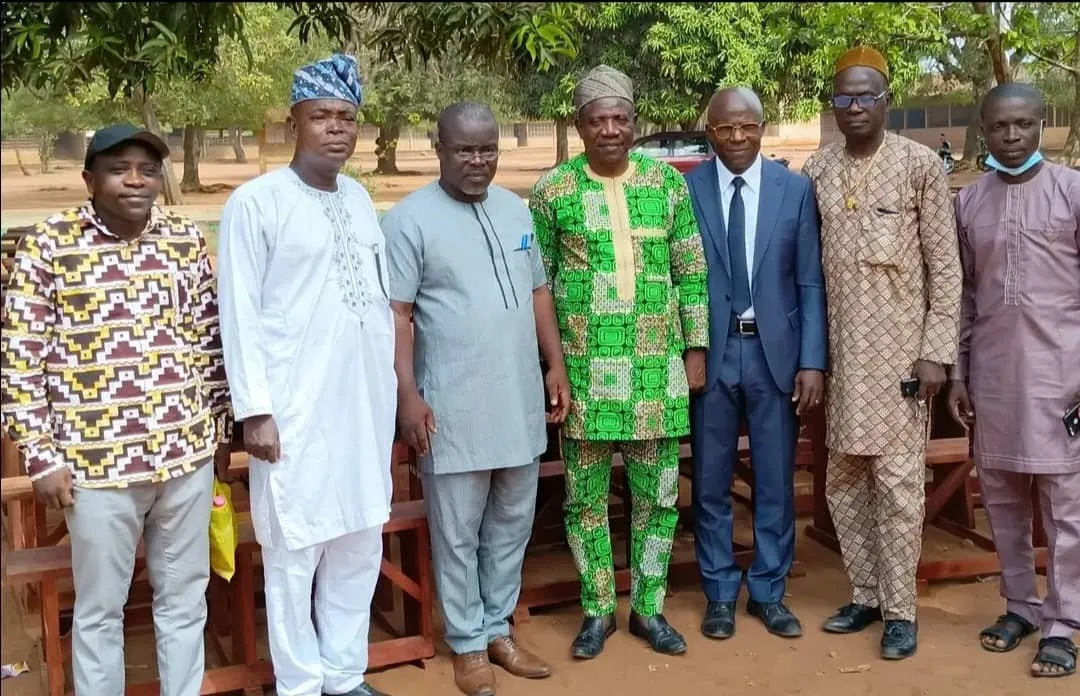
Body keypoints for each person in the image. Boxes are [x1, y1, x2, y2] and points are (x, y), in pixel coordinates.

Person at [0, 123, 232, 696]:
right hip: (95, 470)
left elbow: (210, 339)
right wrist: (41, 456)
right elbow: (20, 358)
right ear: (89, 179)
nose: (135, 180)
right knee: (101, 611)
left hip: (185, 457)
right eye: (117, 168)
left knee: (183, 601)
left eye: (148, 170)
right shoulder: (49, 245)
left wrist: (220, 429)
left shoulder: (184, 239)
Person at [216, 54, 393, 696]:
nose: (336, 129)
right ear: (294, 121)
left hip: (362, 410)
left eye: (347, 117)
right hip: (291, 413)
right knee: (294, 554)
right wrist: (253, 410)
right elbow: (237, 313)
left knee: (357, 544)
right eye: (321, 115)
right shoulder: (255, 203)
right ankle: (298, 684)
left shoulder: (360, 198)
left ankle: (344, 677)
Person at [382, 102, 570, 696]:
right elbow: (398, 314)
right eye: (464, 149)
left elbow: (539, 291)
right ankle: (466, 643)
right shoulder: (408, 221)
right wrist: (407, 394)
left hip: (517, 399)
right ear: (438, 148)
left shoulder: (516, 209)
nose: (477, 159)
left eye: (487, 148)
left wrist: (555, 364)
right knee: (458, 530)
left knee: (513, 523)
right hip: (450, 406)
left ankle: (498, 631)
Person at [529, 64, 710, 659]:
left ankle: (650, 610)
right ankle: (598, 610)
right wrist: (552, 366)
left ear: (635, 123)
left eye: (620, 118)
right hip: (584, 376)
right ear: (579, 125)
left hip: (657, 373)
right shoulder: (552, 190)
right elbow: (542, 286)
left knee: (658, 498)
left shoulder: (666, 185)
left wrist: (696, 350)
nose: (610, 129)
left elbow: (690, 269)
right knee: (584, 501)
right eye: (597, 119)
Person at [801, 46, 962, 660]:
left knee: (898, 486)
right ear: (834, 105)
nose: (856, 106)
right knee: (843, 482)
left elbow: (945, 268)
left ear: (886, 100)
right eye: (845, 97)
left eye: (867, 95)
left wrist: (935, 353)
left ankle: (901, 610)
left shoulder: (920, 166)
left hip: (902, 361)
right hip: (840, 361)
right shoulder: (816, 171)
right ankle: (865, 594)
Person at [684, 88, 827, 641]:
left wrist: (812, 360)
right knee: (712, 480)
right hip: (713, 354)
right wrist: (688, 349)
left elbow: (809, 280)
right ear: (710, 132)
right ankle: (719, 593)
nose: (737, 137)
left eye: (747, 127)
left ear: (763, 128)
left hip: (777, 357)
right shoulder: (686, 189)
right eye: (725, 129)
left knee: (774, 479)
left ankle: (768, 591)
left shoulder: (794, 189)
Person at [948, 83, 1079, 679]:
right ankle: (1020, 606)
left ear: (1040, 124)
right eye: (1000, 126)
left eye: (1023, 124)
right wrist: (959, 373)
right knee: (1001, 500)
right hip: (995, 377)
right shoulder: (970, 202)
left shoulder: (1072, 191)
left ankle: (1064, 622)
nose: (1012, 136)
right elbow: (967, 298)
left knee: (1066, 507)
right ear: (985, 129)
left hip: (1064, 378)